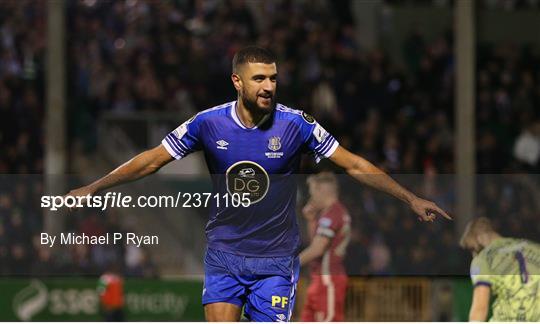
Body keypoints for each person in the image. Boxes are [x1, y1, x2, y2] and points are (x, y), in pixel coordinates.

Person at [66, 46, 450, 322]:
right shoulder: (208, 122)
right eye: (259, 78)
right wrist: (96, 186)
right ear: (237, 81)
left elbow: (353, 164)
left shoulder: (296, 124)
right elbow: (152, 158)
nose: (268, 86)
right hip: (224, 252)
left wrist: (409, 197)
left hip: (275, 260)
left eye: (273, 78)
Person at [459, 217, 540, 321]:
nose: (473, 255)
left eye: (473, 248)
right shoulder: (534, 247)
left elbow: (480, 308)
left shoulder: (483, 258)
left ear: (479, 238)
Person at [299, 172, 350, 321]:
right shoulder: (329, 213)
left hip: (328, 280)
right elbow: (316, 243)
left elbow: (317, 249)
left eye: (313, 192)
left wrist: (288, 265)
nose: (311, 198)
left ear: (322, 191)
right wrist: (311, 220)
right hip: (320, 279)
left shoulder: (333, 213)